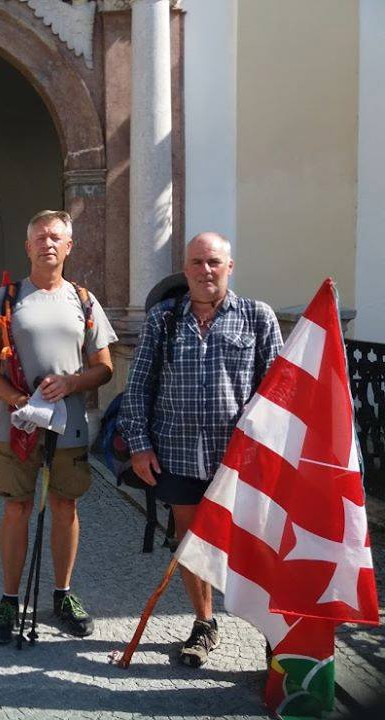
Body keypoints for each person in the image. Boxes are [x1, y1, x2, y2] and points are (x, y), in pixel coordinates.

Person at [121, 232, 283, 668]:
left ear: (230, 266)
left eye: (214, 262)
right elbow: (137, 390)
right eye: (197, 262)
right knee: (193, 543)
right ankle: (204, 622)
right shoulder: (163, 319)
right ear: (185, 268)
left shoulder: (258, 317)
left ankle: (274, 635)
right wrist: (139, 447)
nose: (205, 270)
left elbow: (279, 394)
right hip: (178, 453)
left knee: (255, 545)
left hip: (241, 463)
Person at [0, 210, 117, 644]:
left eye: (56, 237)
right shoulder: (5, 298)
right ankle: (8, 599)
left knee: (65, 508)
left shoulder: (85, 300)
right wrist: (20, 401)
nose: (47, 243)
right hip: (15, 425)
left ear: (69, 247)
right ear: (28, 246)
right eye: (39, 237)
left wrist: (72, 382)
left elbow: (105, 368)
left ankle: (63, 594)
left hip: (68, 426)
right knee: (15, 508)